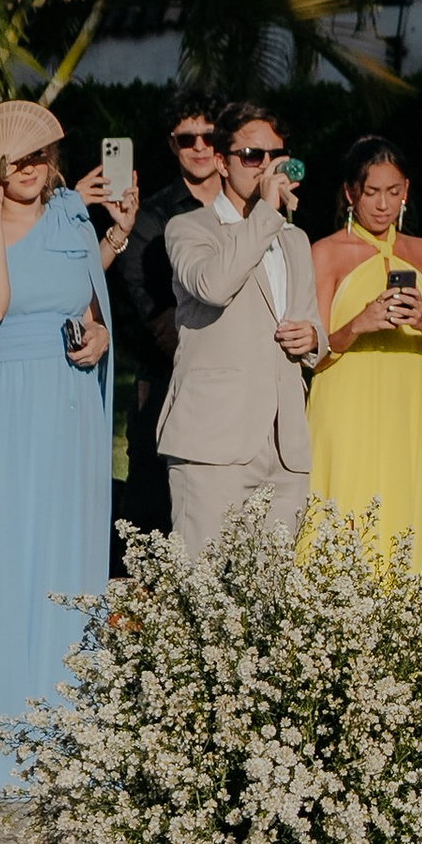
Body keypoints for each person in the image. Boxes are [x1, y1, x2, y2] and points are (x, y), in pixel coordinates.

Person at [0, 102, 136, 799]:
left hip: (61, 408)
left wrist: (98, 336)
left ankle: (61, 742)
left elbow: (88, 309)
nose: (35, 168)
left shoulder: (72, 214)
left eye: (43, 155)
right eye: (20, 159)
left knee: (56, 565)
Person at [159, 103, 325, 553]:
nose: (267, 167)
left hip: (284, 446)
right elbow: (213, 285)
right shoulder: (188, 228)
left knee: (269, 606)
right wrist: (267, 214)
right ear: (222, 162)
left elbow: (313, 324)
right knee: (203, 594)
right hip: (214, 442)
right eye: (253, 155)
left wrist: (313, 339)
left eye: (277, 156)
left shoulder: (294, 238)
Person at [304, 137, 422, 564]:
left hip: (405, 403)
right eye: (372, 192)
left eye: (393, 192)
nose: (383, 204)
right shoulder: (326, 253)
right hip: (344, 402)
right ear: (351, 193)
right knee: (342, 509)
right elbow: (313, 351)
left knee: (401, 510)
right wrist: (359, 324)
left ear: (406, 190)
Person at [111, 89, 227, 547]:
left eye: (208, 136)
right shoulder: (152, 217)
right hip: (167, 381)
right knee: (156, 515)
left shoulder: (252, 212)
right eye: (187, 139)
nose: (199, 147)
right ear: (171, 144)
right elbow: (152, 308)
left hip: (240, 387)